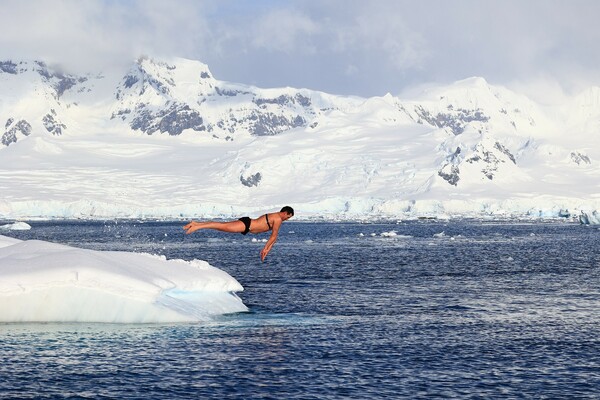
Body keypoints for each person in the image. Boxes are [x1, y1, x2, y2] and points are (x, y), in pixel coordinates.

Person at [183, 206, 294, 261]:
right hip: (247, 225)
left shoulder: (275, 217)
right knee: (221, 226)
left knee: (221, 227)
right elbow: (273, 235)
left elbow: (275, 237)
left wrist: (267, 249)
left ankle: (196, 224)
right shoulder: (278, 219)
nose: (287, 219)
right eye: (288, 217)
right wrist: (265, 248)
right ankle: (196, 226)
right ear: (285, 213)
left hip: (247, 225)